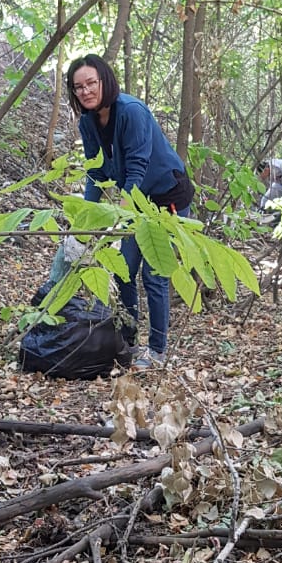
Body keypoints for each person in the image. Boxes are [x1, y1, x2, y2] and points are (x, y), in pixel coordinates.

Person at [67, 55, 194, 370]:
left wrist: (119, 217)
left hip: (166, 198)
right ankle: (128, 341)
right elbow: (95, 173)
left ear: (104, 81)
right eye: (78, 87)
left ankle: (157, 351)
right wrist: (85, 222)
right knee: (124, 271)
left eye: (91, 83)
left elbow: (137, 166)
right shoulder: (88, 122)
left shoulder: (131, 111)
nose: (85, 91)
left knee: (154, 275)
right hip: (134, 201)